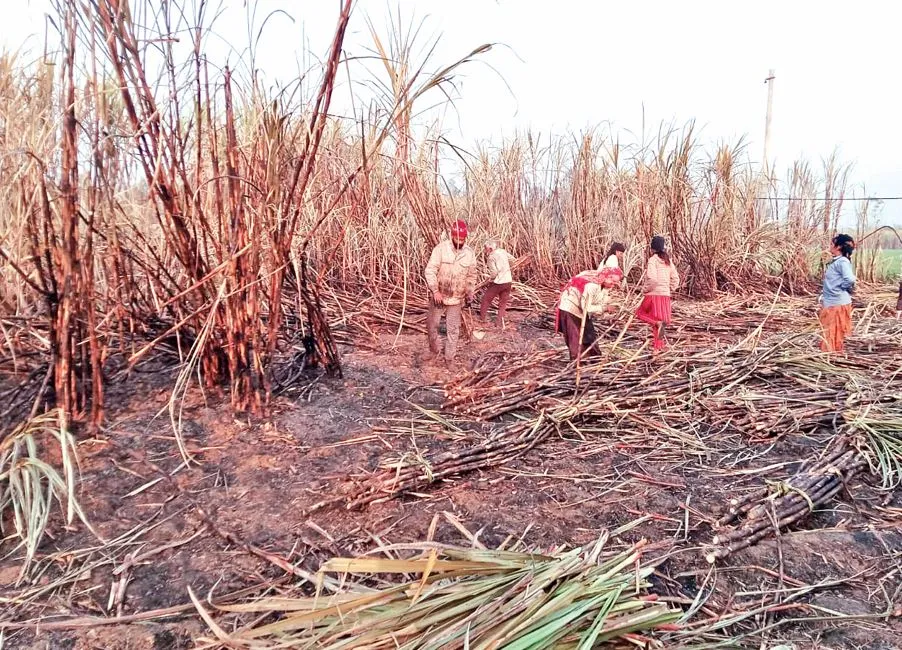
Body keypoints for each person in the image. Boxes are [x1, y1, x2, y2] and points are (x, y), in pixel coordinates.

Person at [424, 219, 477, 369]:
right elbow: (430, 270)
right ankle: (434, 351)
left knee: (453, 330)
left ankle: (449, 358)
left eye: (462, 239)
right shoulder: (440, 249)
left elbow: (472, 275)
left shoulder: (469, 253)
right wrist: (435, 290)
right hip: (438, 297)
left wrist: (470, 291)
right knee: (432, 325)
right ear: (451, 235)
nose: (459, 241)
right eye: (457, 238)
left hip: (456, 298)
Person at [555, 268, 622, 360]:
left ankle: (593, 359)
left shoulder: (605, 286)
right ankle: (577, 362)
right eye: (612, 281)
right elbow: (586, 307)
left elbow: (599, 303)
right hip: (570, 307)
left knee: (589, 335)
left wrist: (609, 315)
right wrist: (604, 308)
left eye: (615, 282)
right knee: (575, 337)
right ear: (606, 277)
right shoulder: (592, 286)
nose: (613, 284)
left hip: (581, 309)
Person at [635, 235, 680, 352]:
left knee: (640, 313)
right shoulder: (668, 261)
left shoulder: (652, 260)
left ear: (652, 248)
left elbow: (653, 279)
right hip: (665, 295)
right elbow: (676, 279)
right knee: (661, 324)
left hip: (653, 294)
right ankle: (658, 348)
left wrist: (645, 290)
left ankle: (657, 328)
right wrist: (668, 289)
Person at [818, 234, 856, 353]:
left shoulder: (842, 261)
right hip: (832, 302)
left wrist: (839, 288)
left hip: (837, 303)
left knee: (832, 332)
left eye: (831, 243)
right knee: (830, 331)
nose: (830, 246)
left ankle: (830, 355)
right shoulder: (838, 261)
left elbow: (850, 279)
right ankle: (831, 354)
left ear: (838, 247)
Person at [479, 239, 514, 329]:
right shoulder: (502, 251)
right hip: (508, 281)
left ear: (490, 249)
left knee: (486, 299)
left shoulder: (491, 257)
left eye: (486, 249)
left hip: (499, 282)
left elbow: (494, 273)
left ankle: (482, 320)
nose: (485, 250)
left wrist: (490, 279)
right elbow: (512, 259)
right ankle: (499, 323)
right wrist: (506, 268)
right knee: (502, 303)